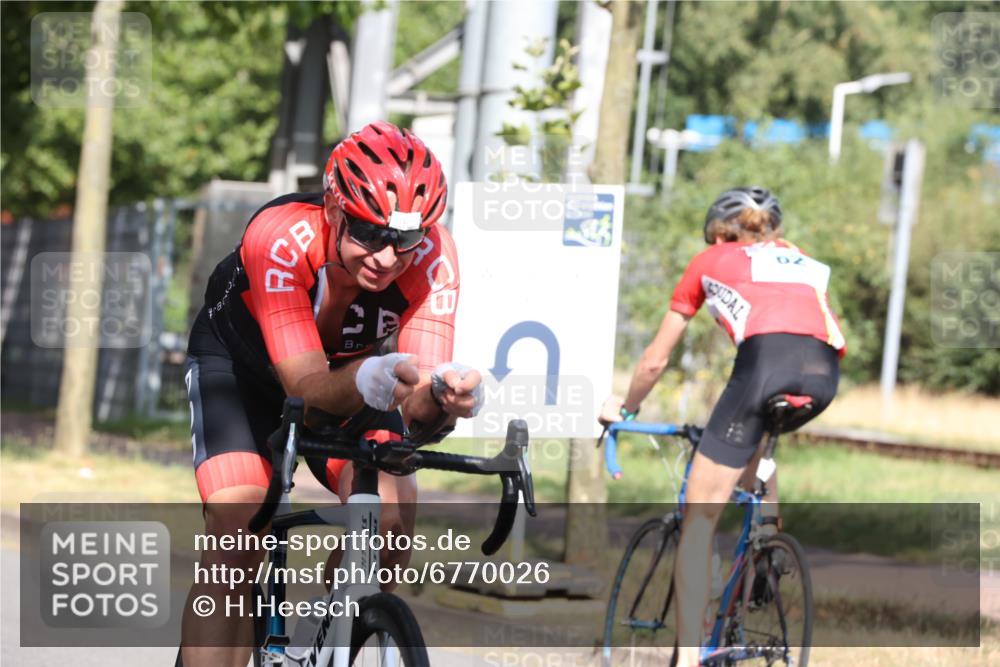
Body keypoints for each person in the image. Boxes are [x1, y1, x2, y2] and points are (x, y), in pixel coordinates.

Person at [181, 120, 482, 667]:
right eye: (368, 234)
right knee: (239, 528)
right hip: (242, 369)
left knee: (389, 529)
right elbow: (309, 393)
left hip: (348, 371)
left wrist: (445, 398)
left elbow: (417, 406)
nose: (388, 258)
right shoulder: (280, 236)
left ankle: (323, 637)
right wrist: (374, 376)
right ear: (334, 209)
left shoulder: (436, 258)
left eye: (404, 240)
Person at [600, 186, 844, 667]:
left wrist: (624, 409)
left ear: (716, 231)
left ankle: (689, 658)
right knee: (760, 443)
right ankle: (766, 548)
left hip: (764, 367)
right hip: (825, 372)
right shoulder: (797, 257)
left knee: (700, 518)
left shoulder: (709, 258)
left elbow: (654, 361)